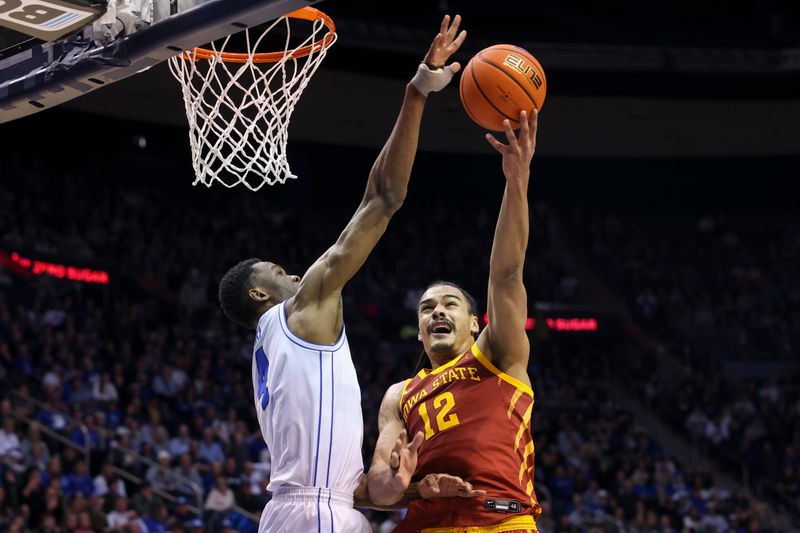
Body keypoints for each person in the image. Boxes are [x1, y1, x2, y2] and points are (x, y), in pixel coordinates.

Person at [218, 14, 478, 533]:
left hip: (307, 509)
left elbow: (350, 490)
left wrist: (406, 488)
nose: (293, 272)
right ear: (258, 292)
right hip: (316, 516)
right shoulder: (300, 311)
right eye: (278, 270)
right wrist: (417, 92)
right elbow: (383, 199)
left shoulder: (271, 353)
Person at [368, 108, 542, 532]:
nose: (437, 312)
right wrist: (405, 482)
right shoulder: (399, 394)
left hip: (499, 521)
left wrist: (516, 179)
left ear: (474, 325)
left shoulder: (497, 356)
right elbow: (379, 492)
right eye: (427, 308)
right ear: (421, 330)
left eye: (449, 305)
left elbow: (506, 274)